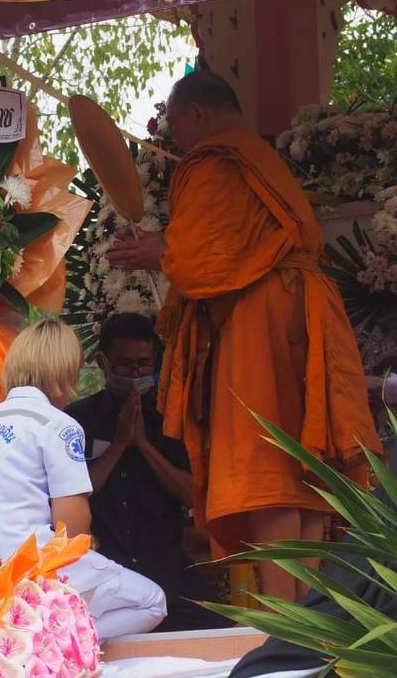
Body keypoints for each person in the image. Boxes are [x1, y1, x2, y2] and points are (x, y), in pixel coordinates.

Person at [109, 69, 380, 603]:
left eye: (176, 126)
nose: (177, 142)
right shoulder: (261, 158)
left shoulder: (214, 158)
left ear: (196, 114)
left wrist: (159, 253)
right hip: (305, 311)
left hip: (263, 319)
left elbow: (205, 257)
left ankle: (287, 621)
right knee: (300, 467)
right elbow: (236, 240)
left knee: (270, 467)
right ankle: (306, 616)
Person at [0, 317, 167, 640]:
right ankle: (44, 642)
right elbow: (73, 528)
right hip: (27, 576)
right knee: (152, 601)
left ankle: (24, 636)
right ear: (66, 372)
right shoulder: (57, 425)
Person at [68, 313, 212, 631]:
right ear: (103, 363)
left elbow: (194, 494)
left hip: (168, 568)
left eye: (144, 365)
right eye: (124, 366)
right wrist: (119, 445)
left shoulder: (170, 419)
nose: (135, 374)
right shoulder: (76, 420)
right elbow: (72, 497)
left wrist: (145, 447)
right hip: (105, 568)